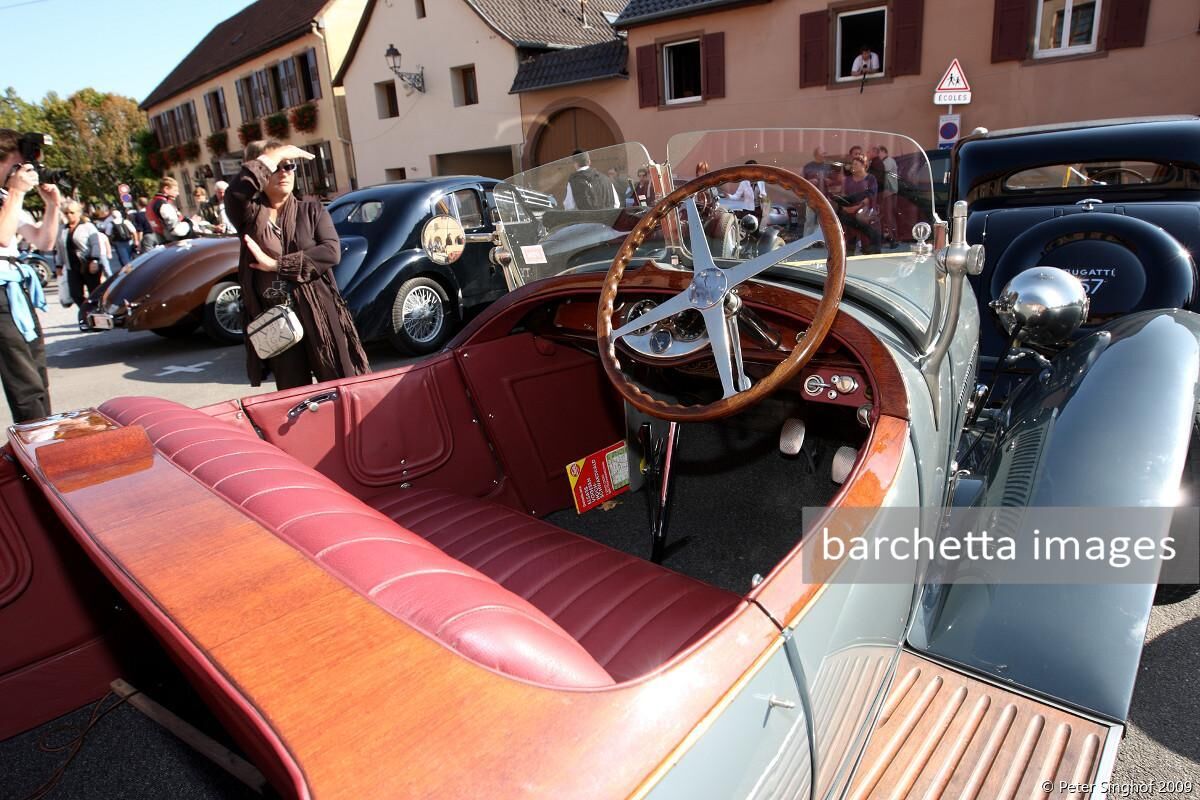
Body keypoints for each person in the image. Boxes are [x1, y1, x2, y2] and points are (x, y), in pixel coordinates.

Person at [225, 140, 368, 390]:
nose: (284, 172)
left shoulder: (312, 211)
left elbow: (331, 252)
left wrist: (277, 265)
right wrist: (275, 154)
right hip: (275, 316)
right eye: (276, 167)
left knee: (340, 385)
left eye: (289, 166)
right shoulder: (249, 216)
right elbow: (236, 193)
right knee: (294, 393)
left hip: (319, 310)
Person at [0, 128, 60, 423]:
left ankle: (44, 436)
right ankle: (36, 441)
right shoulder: (10, 196)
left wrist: (53, 206)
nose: (23, 172)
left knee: (37, 373)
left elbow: (43, 241)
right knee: (24, 382)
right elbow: (2, 237)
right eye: (17, 165)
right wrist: (17, 192)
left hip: (16, 289)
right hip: (2, 292)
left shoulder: (7, 197)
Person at [55, 201, 110, 328]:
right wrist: (58, 265)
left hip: (88, 264)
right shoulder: (62, 229)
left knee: (94, 293)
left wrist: (95, 260)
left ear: (78, 213)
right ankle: (88, 314)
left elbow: (96, 244)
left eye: (72, 212)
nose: (69, 215)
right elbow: (59, 249)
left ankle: (100, 319)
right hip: (71, 266)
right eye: (66, 213)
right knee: (75, 294)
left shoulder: (87, 227)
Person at [838, 153, 881, 255]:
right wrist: (845, 207)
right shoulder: (847, 180)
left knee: (867, 240)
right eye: (852, 164)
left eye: (856, 164)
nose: (853, 166)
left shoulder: (871, 179)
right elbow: (843, 195)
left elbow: (870, 196)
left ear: (863, 165)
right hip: (849, 213)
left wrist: (857, 207)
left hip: (865, 213)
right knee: (849, 240)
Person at [146, 177, 191, 244]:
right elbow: (176, 230)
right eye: (175, 190)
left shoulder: (152, 203)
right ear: (166, 189)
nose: (177, 193)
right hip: (173, 242)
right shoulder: (164, 205)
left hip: (161, 241)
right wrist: (190, 224)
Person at [878, 145, 899, 245]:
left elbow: (883, 170)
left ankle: (893, 238)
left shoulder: (889, 161)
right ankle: (887, 236)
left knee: (889, 215)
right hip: (886, 192)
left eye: (879, 153)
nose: (878, 155)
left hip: (889, 192)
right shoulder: (885, 161)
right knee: (885, 216)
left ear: (883, 151)